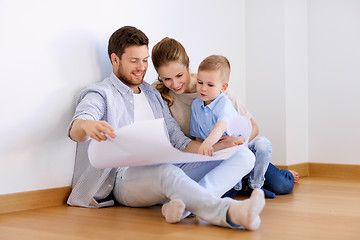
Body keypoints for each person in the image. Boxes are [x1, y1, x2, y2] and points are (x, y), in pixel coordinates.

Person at [67, 26, 265, 230]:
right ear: (115, 60)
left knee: (244, 156)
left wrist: (222, 147)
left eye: (144, 61)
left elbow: (179, 141)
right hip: (125, 178)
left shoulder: (153, 95)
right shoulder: (100, 93)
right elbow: (77, 126)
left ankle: (186, 207)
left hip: (168, 165)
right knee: (165, 171)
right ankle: (227, 212)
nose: (141, 67)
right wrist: (87, 126)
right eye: (134, 61)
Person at [151, 37, 299, 199]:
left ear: (187, 65)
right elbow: (180, 141)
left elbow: (253, 127)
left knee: (281, 184)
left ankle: (278, 173)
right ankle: (244, 183)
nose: (175, 83)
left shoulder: (214, 86)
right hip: (203, 157)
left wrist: (233, 143)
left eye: (179, 75)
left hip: (235, 151)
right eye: (167, 79)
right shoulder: (160, 96)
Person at [190, 55, 245, 156]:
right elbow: (197, 136)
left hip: (235, 148)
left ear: (223, 87)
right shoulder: (195, 105)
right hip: (215, 151)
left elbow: (220, 128)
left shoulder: (224, 104)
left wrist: (207, 143)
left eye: (210, 85)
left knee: (257, 149)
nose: (203, 88)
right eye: (200, 82)